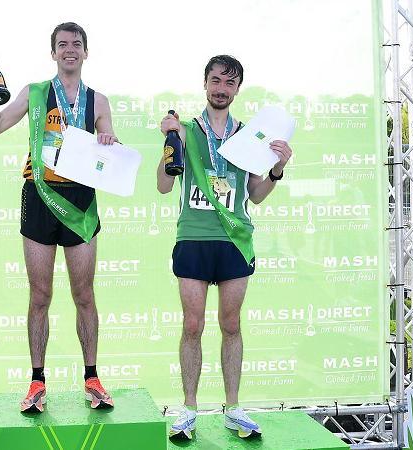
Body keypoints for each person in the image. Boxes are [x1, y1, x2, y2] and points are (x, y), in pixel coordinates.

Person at [0, 22, 118, 412]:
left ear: (85, 52)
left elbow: (110, 149)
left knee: (83, 294)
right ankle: (37, 382)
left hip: (80, 200)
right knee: (40, 294)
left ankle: (92, 378)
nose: (69, 50)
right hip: (40, 194)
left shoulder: (98, 101)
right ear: (53, 53)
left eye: (76, 44)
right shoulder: (35, 92)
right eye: (62, 45)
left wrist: (108, 141)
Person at [157, 55, 292, 440]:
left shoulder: (249, 135)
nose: (221, 88)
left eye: (229, 83)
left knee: (231, 325)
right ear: (205, 83)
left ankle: (233, 408)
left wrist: (277, 170)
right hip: (194, 237)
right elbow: (164, 186)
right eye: (215, 80)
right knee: (192, 325)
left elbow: (256, 194)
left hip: (234, 239)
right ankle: (188, 409)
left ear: (236, 89)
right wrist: (167, 143)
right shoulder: (183, 130)